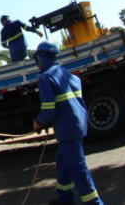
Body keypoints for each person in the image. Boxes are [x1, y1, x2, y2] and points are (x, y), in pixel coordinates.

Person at [33, 41, 103, 205]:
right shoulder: (68, 74)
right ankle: (65, 198)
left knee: (78, 169)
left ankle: (95, 203)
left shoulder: (46, 78)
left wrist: (38, 122)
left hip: (67, 129)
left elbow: (49, 110)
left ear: (42, 57)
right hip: (78, 125)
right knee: (63, 163)